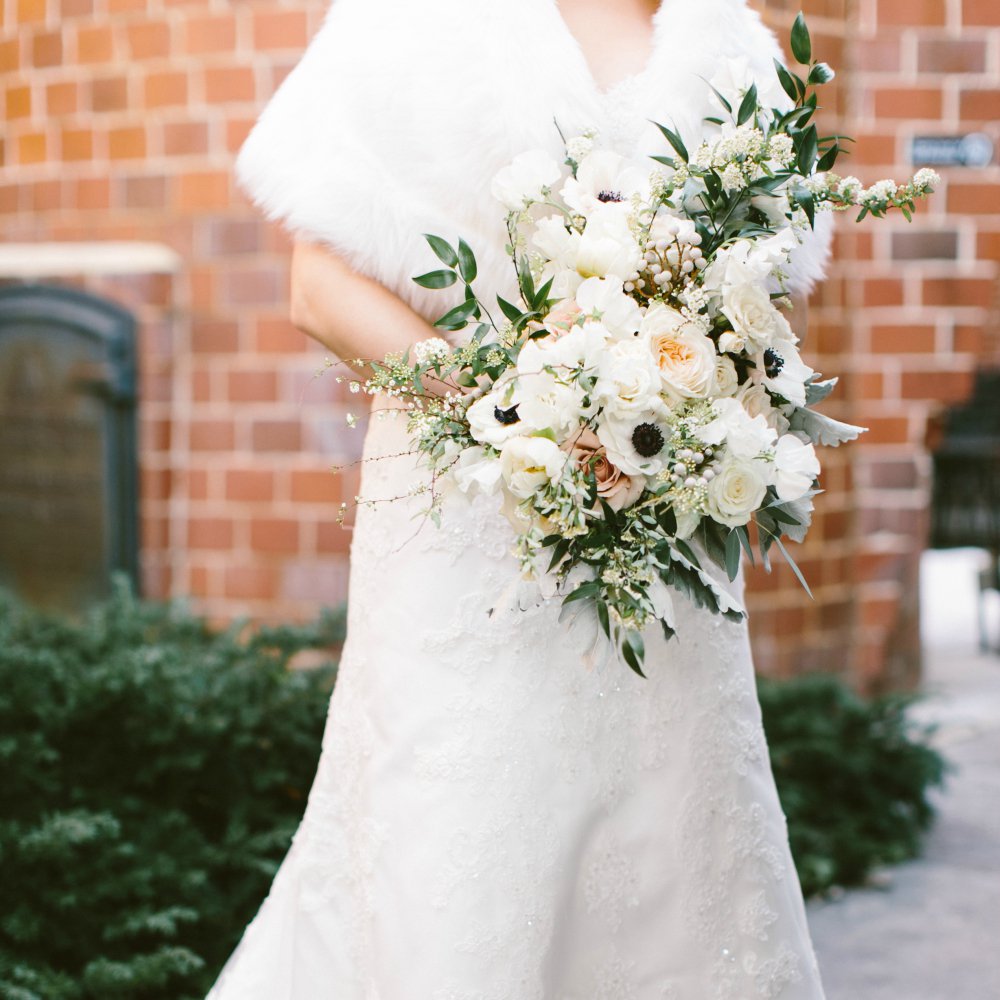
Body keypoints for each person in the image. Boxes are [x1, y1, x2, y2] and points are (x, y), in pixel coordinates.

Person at [207, 1, 832, 997]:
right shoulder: (412, 22)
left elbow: (764, 313)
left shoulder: (734, 51)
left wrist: (679, 402)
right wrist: (520, 403)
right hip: (464, 544)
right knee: (455, 839)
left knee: (672, 846)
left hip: (660, 547)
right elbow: (316, 289)